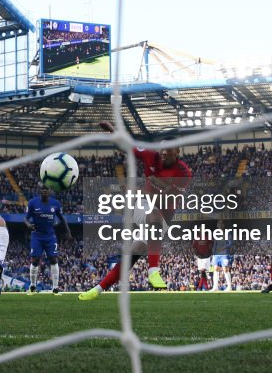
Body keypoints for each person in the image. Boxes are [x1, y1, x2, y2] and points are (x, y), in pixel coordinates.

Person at [79, 122, 191, 300]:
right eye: (162, 153)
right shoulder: (150, 155)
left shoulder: (184, 173)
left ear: (177, 153)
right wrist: (114, 132)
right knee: (153, 212)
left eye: (168, 154)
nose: (163, 157)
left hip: (164, 217)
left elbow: (166, 198)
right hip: (145, 205)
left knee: (130, 258)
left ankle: (97, 290)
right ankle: (154, 271)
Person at [24, 187, 71, 294]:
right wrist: (28, 225)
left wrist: (68, 232)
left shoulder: (56, 204)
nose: (44, 191)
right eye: (43, 189)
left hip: (50, 236)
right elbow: (25, 218)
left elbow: (62, 218)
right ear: (40, 191)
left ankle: (55, 288)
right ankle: (32, 285)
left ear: (49, 191)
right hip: (37, 236)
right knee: (35, 260)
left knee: (53, 259)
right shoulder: (32, 203)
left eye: (46, 189)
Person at [211, 219, 234, 291]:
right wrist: (213, 252)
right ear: (217, 225)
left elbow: (231, 243)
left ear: (223, 225)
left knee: (225, 269)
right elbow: (215, 243)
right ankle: (215, 287)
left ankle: (229, 287)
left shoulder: (228, 233)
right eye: (219, 224)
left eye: (221, 224)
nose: (220, 225)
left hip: (224, 254)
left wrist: (224, 247)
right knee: (215, 269)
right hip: (217, 254)